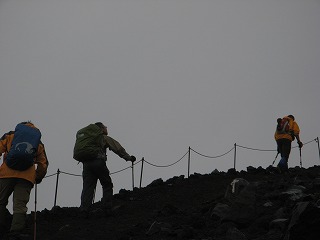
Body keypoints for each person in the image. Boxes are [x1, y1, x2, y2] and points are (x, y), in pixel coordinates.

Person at [0, 121, 48, 239]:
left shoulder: (11, 135)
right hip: (26, 177)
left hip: (6, 174)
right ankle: (16, 230)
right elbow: (43, 164)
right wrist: (38, 177)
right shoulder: (37, 141)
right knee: (20, 204)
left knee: (1, 200)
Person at [78, 122, 136, 216]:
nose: (106, 128)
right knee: (106, 184)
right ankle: (106, 207)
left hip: (86, 164)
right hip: (98, 162)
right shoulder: (102, 137)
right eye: (105, 127)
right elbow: (117, 148)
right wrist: (128, 158)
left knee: (87, 187)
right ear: (101, 129)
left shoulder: (88, 139)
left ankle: (84, 209)